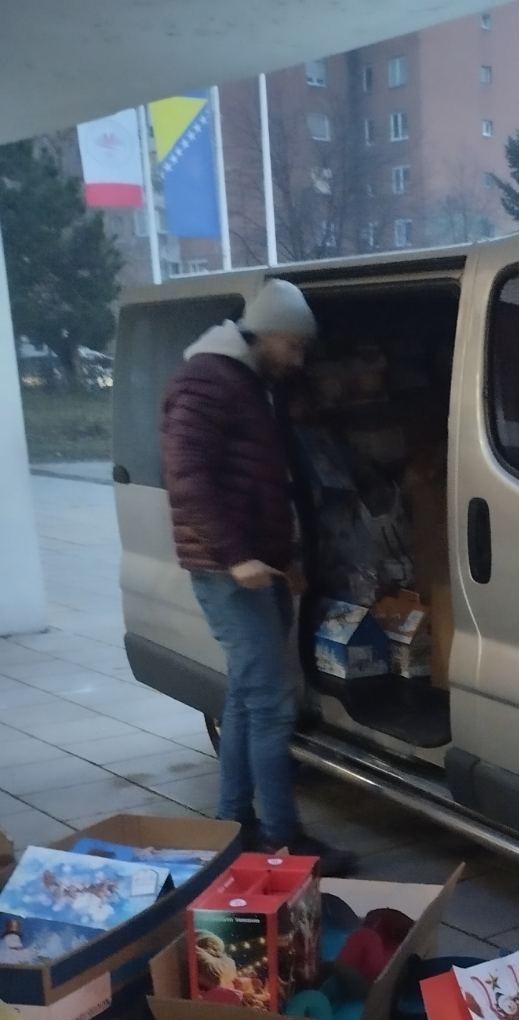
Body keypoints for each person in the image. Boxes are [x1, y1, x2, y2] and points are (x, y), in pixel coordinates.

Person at [160, 279, 354, 874]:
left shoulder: (247, 382)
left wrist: (283, 557)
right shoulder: (207, 380)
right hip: (227, 569)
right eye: (293, 346)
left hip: (257, 564)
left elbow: (263, 484)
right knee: (271, 704)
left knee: (246, 699)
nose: (298, 360)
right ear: (267, 334)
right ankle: (282, 837)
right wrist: (237, 556)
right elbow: (186, 476)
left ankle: (234, 824)